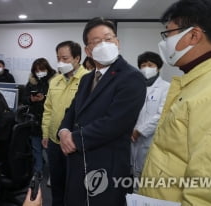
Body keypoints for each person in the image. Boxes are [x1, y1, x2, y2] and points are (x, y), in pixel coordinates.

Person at [139, 0, 211, 204]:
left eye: (168, 33)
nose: (164, 41)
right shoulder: (196, 82)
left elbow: (210, 190)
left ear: (193, 35)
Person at [57, 17, 146, 206]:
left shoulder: (131, 77)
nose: (104, 44)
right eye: (97, 41)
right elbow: (72, 110)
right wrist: (63, 131)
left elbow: (115, 123)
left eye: (109, 38)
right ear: (88, 50)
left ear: (118, 42)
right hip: (77, 160)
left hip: (107, 164)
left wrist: (73, 139)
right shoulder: (86, 79)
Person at [41, 40, 89, 206]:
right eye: (58, 58)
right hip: (54, 141)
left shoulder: (88, 80)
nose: (61, 62)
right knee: (56, 183)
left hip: (74, 144)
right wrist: (46, 133)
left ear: (77, 58)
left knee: (75, 187)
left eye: (65, 58)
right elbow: (48, 110)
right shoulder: (55, 81)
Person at [130, 51, 169, 190]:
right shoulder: (134, 86)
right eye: (143, 65)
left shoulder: (166, 88)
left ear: (158, 67)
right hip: (131, 138)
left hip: (150, 139)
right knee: (131, 175)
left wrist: (140, 131)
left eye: (150, 64)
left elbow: (161, 114)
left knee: (147, 177)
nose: (146, 67)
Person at [22, 58, 56, 173]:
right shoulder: (32, 81)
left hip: (49, 119)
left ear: (47, 69)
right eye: (36, 70)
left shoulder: (55, 81)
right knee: (36, 148)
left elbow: (57, 100)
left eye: (41, 69)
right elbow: (24, 98)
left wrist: (45, 98)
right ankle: (38, 171)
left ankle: (53, 173)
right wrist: (31, 99)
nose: (39, 72)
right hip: (34, 119)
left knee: (49, 149)